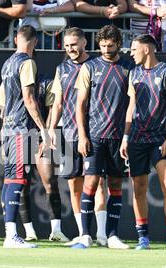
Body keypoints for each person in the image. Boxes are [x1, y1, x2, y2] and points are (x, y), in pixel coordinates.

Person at [72, 25, 133, 249]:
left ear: (118, 43)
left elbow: (133, 104)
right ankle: (86, 235)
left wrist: (128, 135)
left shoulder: (129, 67)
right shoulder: (90, 67)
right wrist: (82, 135)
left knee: (116, 184)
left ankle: (112, 236)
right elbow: (80, 104)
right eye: (103, 46)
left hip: (118, 137)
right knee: (91, 181)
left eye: (111, 45)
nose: (107, 49)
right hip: (95, 135)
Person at [119, 34, 166, 250]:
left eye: (134, 49)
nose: (131, 53)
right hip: (137, 137)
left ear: (147, 49)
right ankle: (143, 237)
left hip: (159, 138)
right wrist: (125, 137)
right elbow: (131, 107)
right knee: (138, 189)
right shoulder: (134, 73)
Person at [48, 27, 109, 247]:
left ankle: (102, 234)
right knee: (74, 183)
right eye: (66, 45)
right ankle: (84, 233)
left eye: (74, 44)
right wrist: (51, 130)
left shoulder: (95, 66)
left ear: (84, 42)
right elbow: (57, 102)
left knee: (97, 182)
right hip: (69, 133)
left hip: (93, 132)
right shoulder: (61, 68)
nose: (70, 49)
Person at [0, 72, 69, 242]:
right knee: (21, 184)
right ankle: (29, 231)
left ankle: (56, 231)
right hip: (18, 136)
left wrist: (47, 133)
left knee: (50, 180)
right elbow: (3, 113)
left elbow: (52, 110)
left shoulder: (46, 83)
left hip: (39, 137)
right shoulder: (8, 83)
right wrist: (4, 140)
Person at [0, 25, 50, 248]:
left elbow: (3, 105)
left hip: (10, 128)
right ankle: (11, 236)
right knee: (18, 180)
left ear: (16, 40)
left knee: (10, 180)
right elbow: (29, 99)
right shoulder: (27, 63)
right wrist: (43, 129)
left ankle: (9, 233)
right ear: (35, 42)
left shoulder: (7, 63)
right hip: (21, 128)